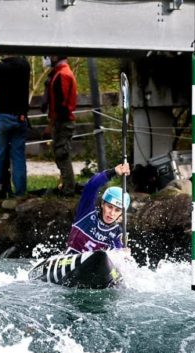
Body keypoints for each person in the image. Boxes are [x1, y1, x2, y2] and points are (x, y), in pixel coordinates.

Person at [64, 163, 131, 254]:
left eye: (117, 210)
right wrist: (113, 172)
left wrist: (124, 256)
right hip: (70, 259)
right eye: (109, 207)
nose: (112, 213)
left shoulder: (117, 234)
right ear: (102, 204)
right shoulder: (86, 213)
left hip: (94, 266)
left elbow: (118, 261)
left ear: (122, 213)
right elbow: (91, 186)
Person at [0, 56, 30, 198]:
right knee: (18, 157)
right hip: (19, 117)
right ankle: (20, 192)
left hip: (1, 117)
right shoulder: (24, 66)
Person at [43, 56, 78, 196]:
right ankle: (67, 186)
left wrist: (50, 125)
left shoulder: (62, 75)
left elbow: (61, 105)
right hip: (62, 120)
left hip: (63, 121)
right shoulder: (61, 72)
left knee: (62, 154)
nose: (47, 59)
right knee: (61, 154)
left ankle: (68, 189)